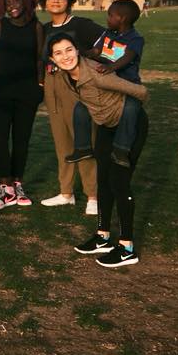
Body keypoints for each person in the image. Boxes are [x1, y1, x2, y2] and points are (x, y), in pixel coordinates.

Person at [46, 34, 150, 268]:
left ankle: (127, 247)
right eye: (59, 53)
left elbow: (140, 93)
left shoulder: (96, 74)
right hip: (105, 125)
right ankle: (103, 236)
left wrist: (128, 111)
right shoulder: (65, 75)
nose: (66, 56)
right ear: (52, 59)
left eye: (69, 49)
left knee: (119, 181)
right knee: (102, 180)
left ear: (78, 50)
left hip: (129, 125)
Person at [38, 0, 104, 214]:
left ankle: (93, 195)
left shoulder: (81, 25)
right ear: (45, 2)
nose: (56, 1)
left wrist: (86, 60)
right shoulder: (44, 28)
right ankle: (66, 192)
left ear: (70, 1)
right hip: (52, 88)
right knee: (62, 142)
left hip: (76, 88)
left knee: (84, 142)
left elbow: (110, 44)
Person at [0, 0, 45, 211]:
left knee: (22, 138)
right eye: (8, 2)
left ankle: (18, 184)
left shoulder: (36, 27)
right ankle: (4, 186)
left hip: (27, 92)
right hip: (1, 91)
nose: (13, 6)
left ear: (26, 2)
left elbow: (39, 59)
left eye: (16, 1)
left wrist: (40, 85)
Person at [70, 0, 145, 168]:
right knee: (81, 107)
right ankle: (83, 147)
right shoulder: (107, 34)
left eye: (111, 15)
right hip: (105, 83)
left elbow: (129, 56)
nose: (107, 18)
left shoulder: (135, 38)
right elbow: (96, 51)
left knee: (131, 108)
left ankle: (121, 150)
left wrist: (111, 67)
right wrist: (81, 53)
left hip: (126, 84)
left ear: (123, 18)